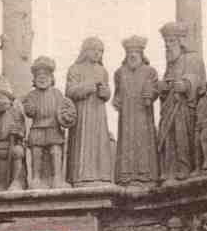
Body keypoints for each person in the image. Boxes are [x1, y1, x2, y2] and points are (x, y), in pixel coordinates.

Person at [157, 22, 206, 182]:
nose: (168, 46)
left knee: (182, 136)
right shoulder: (171, 63)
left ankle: (184, 167)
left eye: (171, 41)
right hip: (169, 106)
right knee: (168, 138)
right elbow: (167, 84)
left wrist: (186, 84)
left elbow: (199, 80)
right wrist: (163, 87)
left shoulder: (193, 58)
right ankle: (169, 169)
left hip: (184, 107)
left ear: (181, 41)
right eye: (166, 42)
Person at [22, 56, 77, 189]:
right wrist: (29, 108)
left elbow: (65, 108)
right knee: (36, 152)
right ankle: (36, 178)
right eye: (38, 75)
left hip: (53, 127)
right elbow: (29, 112)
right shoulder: (32, 95)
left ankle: (57, 178)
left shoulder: (57, 93)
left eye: (46, 75)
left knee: (56, 151)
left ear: (51, 78)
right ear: (34, 79)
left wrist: (66, 116)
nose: (42, 78)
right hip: (37, 128)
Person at [66, 37, 114, 185]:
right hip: (82, 113)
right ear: (85, 51)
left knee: (100, 143)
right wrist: (88, 87)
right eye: (94, 50)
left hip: (99, 113)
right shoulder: (75, 69)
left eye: (101, 51)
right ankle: (81, 176)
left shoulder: (103, 71)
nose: (98, 53)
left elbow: (107, 94)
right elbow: (69, 91)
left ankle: (101, 175)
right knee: (83, 143)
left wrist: (105, 92)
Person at [113, 36, 159, 185]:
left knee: (143, 141)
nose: (132, 55)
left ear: (141, 54)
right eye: (129, 52)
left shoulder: (150, 71)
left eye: (136, 52)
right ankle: (125, 175)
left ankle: (145, 174)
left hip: (143, 115)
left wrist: (151, 93)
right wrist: (116, 100)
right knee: (126, 141)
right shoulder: (120, 72)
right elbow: (117, 93)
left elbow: (156, 89)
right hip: (126, 115)